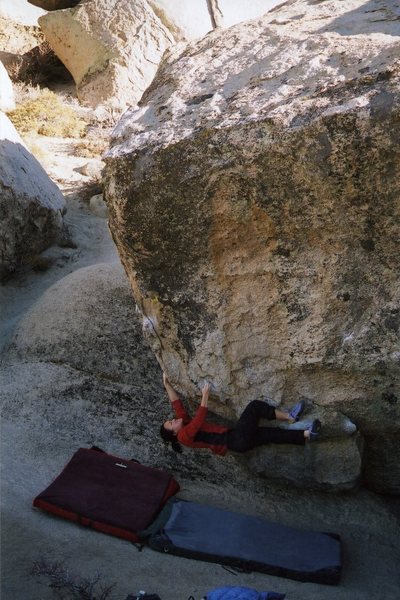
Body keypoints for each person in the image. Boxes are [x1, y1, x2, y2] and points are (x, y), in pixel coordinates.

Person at [160, 373, 321, 455]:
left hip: (238, 443)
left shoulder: (183, 425)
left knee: (270, 435)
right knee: (254, 407)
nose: (174, 419)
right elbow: (199, 420)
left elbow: (177, 405)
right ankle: (289, 417)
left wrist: (167, 385)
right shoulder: (183, 437)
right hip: (235, 439)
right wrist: (205, 395)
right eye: (172, 423)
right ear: (174, 432)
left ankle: (307, 434)